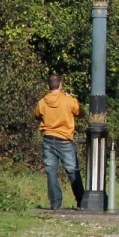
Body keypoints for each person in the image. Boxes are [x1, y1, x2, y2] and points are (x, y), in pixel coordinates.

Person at [34, 74, 85, 210]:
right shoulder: (69, 100)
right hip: (65, 140)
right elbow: (81, 113)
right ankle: (82, 201)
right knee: (72, 170)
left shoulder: (42, 102)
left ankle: (55, 204)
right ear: (60, 85)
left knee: (51, 172)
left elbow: (36, 115)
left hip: (48, 139)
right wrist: (71, 98)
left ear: (48, 86)